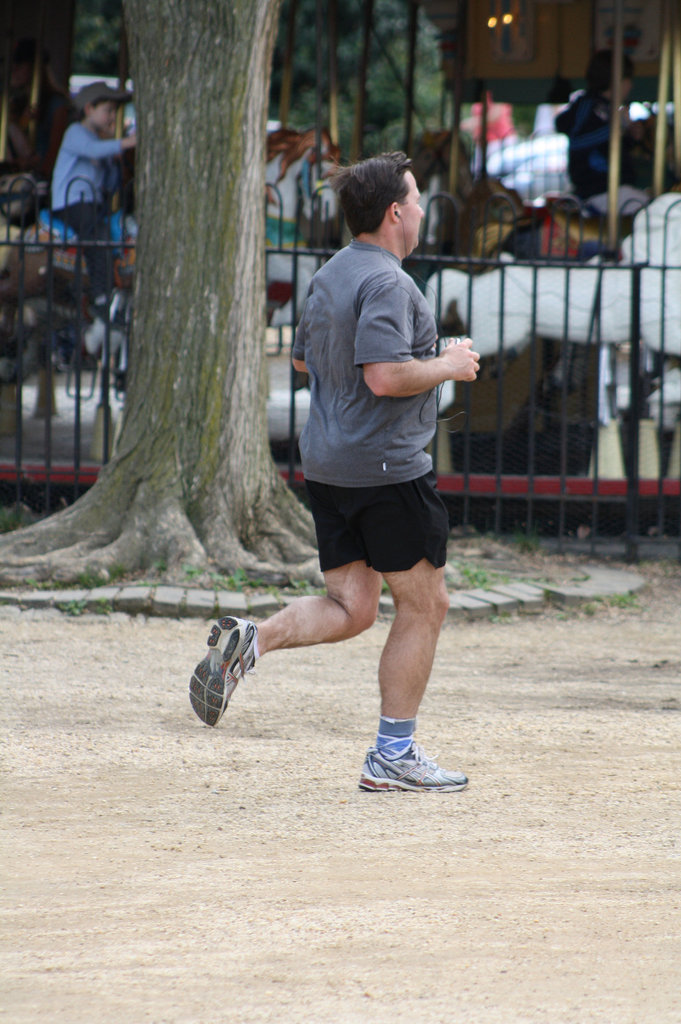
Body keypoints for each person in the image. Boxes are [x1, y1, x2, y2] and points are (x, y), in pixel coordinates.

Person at [189, 151, 481, 793]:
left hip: (328, 464)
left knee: (351, 606)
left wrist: (423, 358)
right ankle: (393, 756)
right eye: (418, 198)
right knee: (426, 603)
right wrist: (448, 365)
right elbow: (382, 375)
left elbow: (304, 361)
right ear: (395, 212)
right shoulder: (390, 283)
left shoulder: (328, 276)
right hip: (386, 472)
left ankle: (251, 641)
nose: (425, 209)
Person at [50, 80, 136, 349]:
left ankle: (111, 292)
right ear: (89, 108)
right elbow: (92, 151)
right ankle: (100, 297)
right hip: (71, 201)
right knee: (97, 238)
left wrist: (115, 155)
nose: (111, 117)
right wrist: (125, 142)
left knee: (110, 234)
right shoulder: (76, 132)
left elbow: (111, 184)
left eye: (113, 112)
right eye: (107, 110)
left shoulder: (102, 141)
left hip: (92, 203)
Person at [554, 49, 650, 214]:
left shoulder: (609, 109)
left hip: (615, 186)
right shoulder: (588, 105)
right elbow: (577, 141)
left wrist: (630, 137)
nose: (630, 85)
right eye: (627, 79)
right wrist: (616, 128)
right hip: (598, 189)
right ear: (616, 81)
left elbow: (608, 148)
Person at [9, 38, 71, 180]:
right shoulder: (14, 102)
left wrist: (44, 173)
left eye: (19, 65)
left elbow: (55, 147)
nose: (14, 70)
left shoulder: (57, 104)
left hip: (39, 175)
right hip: (17, 173)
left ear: (34, 68)